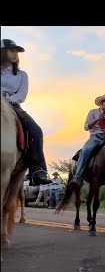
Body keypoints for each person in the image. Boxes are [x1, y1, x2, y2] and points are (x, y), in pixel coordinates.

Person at [1, 38, 52, 186]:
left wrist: (8, 100)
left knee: (36, 131)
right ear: (2, 52)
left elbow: (21, 95)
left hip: (13, 106)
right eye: (12, 50)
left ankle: (38, 171)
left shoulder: (22, 75)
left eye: (17, 51)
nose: (15, 53)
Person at [69, 93, 105, 195]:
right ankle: (77, 177)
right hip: (95, 137)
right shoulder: (93, 112)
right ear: (102, 103)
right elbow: (86, 127)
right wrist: (97, 119)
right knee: (86, 151)